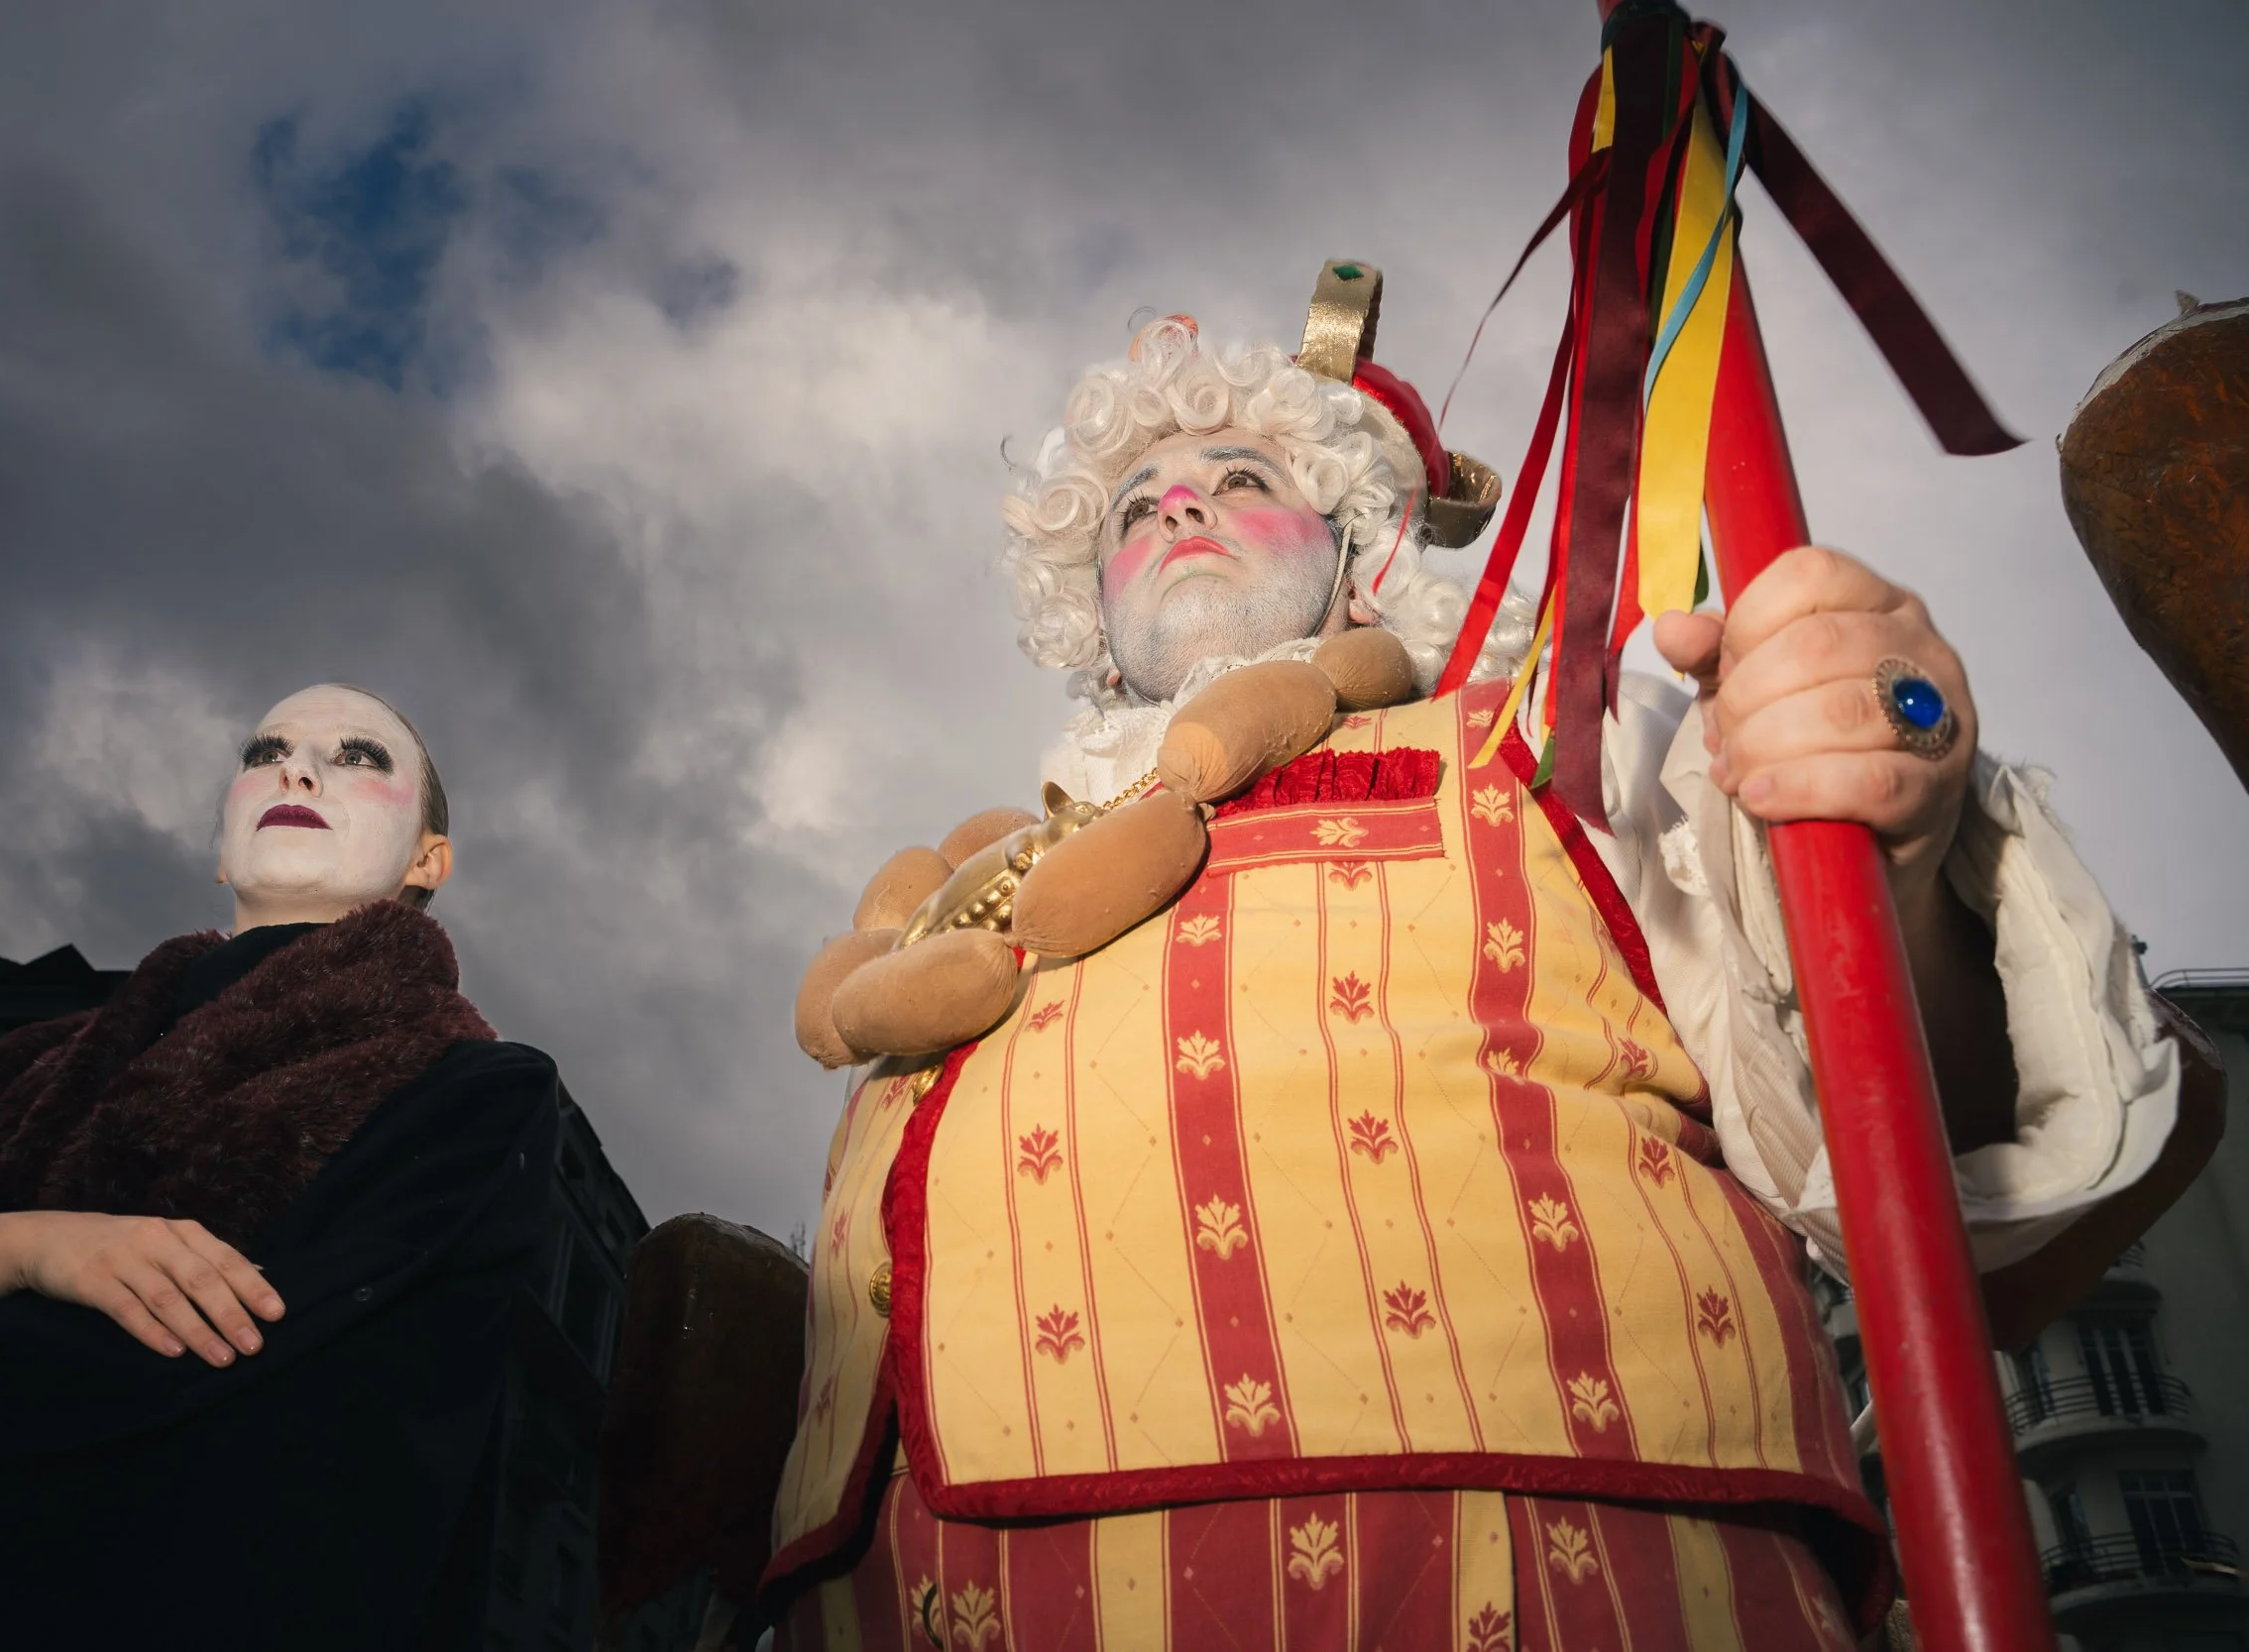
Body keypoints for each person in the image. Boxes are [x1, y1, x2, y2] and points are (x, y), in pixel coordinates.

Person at [765, 308, 2218, 1649]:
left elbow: (1942, 1159)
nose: (1180, 506)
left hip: (1532, 1573)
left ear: (1359, 543)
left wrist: (1889, 836)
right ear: (1093, 615)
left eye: (1235, 475)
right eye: (1138, 514)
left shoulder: (1562, 738)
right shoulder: (970, 893)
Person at [0, 684, 558, 1651]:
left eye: (358, 755)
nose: (297, 768)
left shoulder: (471, 1089)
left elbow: (252, 1432)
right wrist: (11, 1247)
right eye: (266, 749)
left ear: (427, 859)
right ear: (223, 847)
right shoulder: (13, 1064)